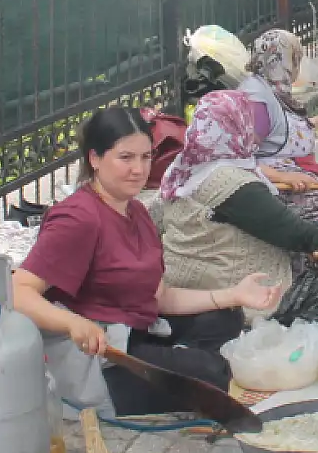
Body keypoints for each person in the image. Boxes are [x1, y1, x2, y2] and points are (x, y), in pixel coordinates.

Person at [14, 107, 282, 415]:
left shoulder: (137, 211)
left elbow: (161, 297)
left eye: (145, 157)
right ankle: (178, 366)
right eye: (125, 158)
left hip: (139, 330)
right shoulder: (77, 218)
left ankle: (177, 361)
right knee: (210, 374)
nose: (139, 169)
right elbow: (18, 291)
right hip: (104, 358)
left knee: (226, 318)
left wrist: (234, 295)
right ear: (95, 159)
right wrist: (72, 323)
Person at [158, 91, 318, 326]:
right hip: (226, 284)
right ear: (238, 127)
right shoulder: (232, 184)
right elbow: (300, 235)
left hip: (183, 275)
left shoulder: (186, 167)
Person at [236, 28, 318, 183]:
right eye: (296, 59)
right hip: (274, 185)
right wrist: (284, 177)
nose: (297, 67)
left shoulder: (271, 88)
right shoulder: (257, 98)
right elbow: (240, 159)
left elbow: (281, 130)